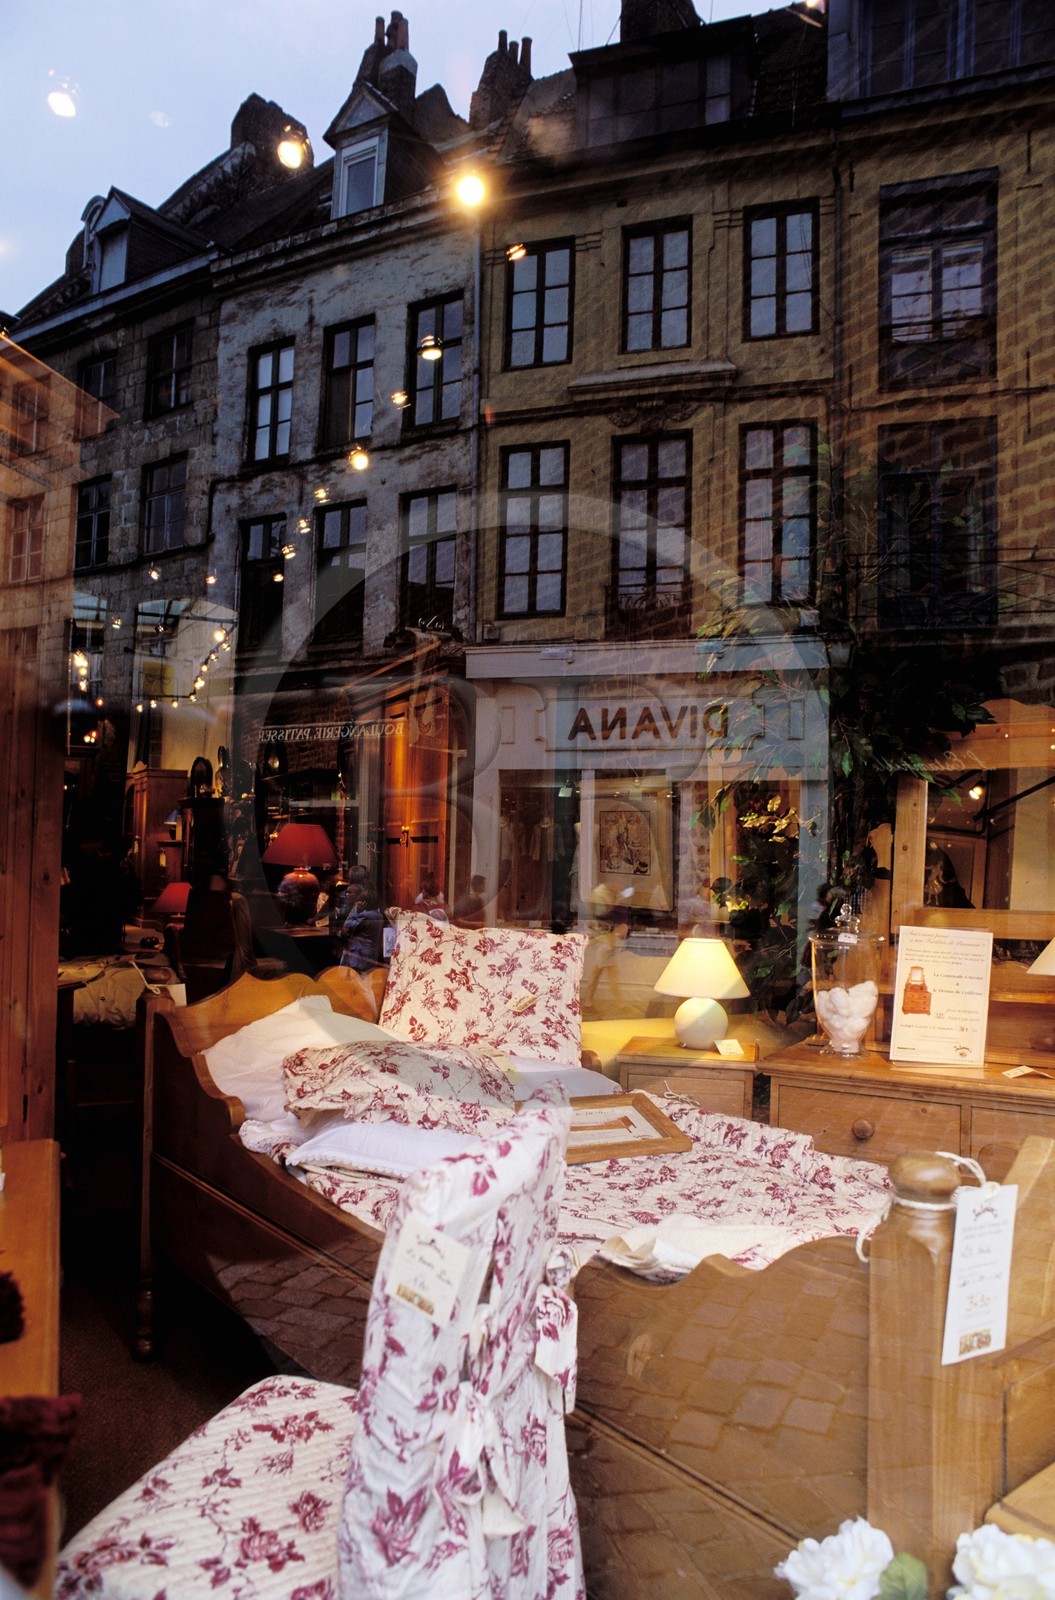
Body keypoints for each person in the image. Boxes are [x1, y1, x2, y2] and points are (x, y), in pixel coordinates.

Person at [340, 885, 385, 971]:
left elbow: (347, 924)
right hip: (371, 955)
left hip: (360, 957)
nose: (357, 903)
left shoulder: (365, 916)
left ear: (364, 902)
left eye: (360, 900)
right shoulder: (379, 915)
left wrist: (356, 911)